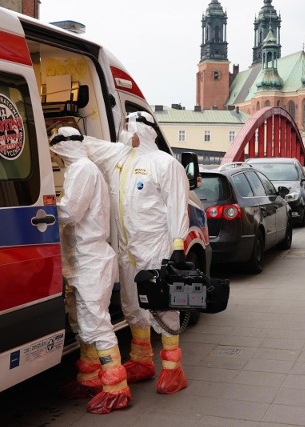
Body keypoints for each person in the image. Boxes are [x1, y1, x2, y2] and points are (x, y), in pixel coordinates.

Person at [83, 111, 190, 395]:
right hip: (128, 250)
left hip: (156, 249)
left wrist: (178, 246)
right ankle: (142, 360)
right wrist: (66, 137)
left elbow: (177, 205)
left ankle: (172, 369)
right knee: (132, 303)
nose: (122, 132)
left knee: (163, 305)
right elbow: (91, 146)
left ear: (141, 130)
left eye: (127, 127)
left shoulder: (164, 164)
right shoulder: (120, 159)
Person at [49, 127, 131, 414]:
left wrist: (42, 211)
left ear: (63, 149)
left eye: (55, 152)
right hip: (83, 260)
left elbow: (71, 212)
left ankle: (115, 387)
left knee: (96, 323)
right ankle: (90, 377)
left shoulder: (83, 169)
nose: (55, 158)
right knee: (82, 320)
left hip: (91, 259)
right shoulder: (79, 169)